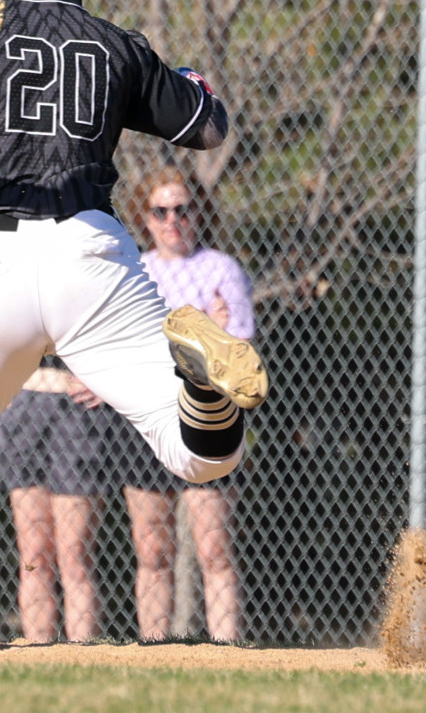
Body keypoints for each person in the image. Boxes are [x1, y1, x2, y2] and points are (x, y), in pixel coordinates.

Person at [0, 0, 269, 648]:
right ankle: (204, 390)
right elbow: (208, 128)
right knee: (204, 456)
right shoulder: (113, 40)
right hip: (89, 252)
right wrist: (193, 85)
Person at [117, 165, 256, 643]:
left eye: (182, 208)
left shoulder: (221, 269)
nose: (172, 219)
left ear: (199, 212)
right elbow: (127, 346)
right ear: (145, 217)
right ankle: (155, 650)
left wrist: (212, 334)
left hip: (208, 417)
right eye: (160, 210)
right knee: (152, 551)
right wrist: (200, 328)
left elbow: (239, 356)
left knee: (214, 548)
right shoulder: (136, 270)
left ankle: (225, 651)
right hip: (150, 417)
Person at [0, 358, 121, 643]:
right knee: (34, 555)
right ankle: (38, 653)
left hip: (77, 406)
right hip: (24, 401)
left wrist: (109, 382)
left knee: (74, 554)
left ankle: (82, 656)